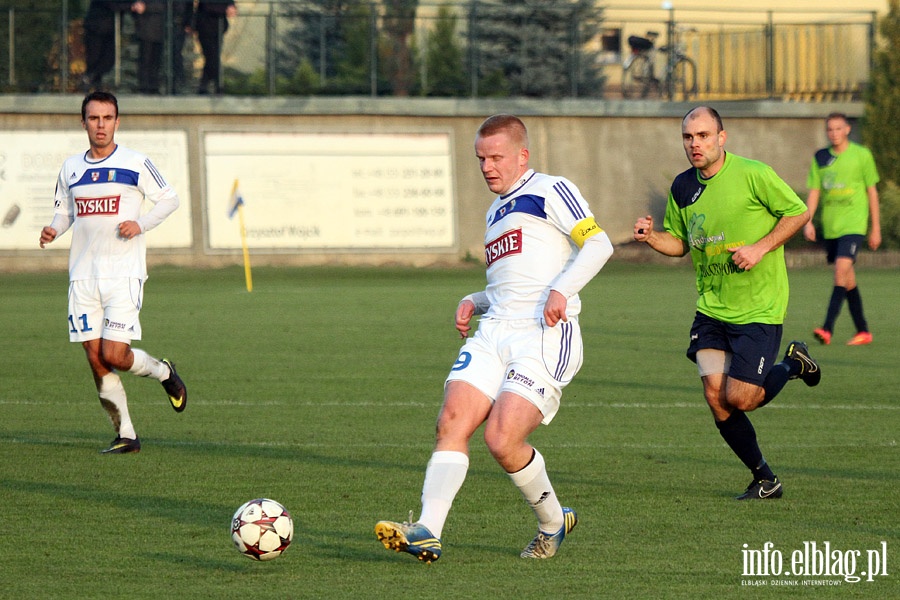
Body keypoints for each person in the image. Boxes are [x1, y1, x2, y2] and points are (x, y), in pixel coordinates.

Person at [375, 114, 615, 562]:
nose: (487, 166)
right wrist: (475, 299)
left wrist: (563, 289)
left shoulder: (550, 189)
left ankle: (552, 521)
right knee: (451, 422)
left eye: (497, 157)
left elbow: (599, 244)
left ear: (522, 155)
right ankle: (428, 529)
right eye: (481, 158)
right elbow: (512, 285)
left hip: (543, 333)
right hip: (494, 331)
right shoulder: (494, 211)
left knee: (502, 439)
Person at [633, 106, 820, 500]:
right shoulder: (683, 187)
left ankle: (792, 363)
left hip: (759, 307)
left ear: (722, 137)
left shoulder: (753, 173)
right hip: (712, 308)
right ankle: (765, 478)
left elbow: (798, 213)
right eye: (688, 137)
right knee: (716, 399)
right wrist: (651, 237)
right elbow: (680, 244)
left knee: (740, 399)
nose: (694, 144)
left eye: (702, 135)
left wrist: (760, 247)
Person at [39, 91, 187, 454]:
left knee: (116, 354)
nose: (100, 125)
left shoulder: (136, 162)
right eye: (94, 118)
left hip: (123, 274)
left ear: (117, 122)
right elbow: (65, 212)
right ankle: (127, 434)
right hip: (83, 276)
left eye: (107, 118)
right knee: (95, 358)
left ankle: (163, 372)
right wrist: (54, 229)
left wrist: (140, 224)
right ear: (84, 122)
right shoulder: (71, 167)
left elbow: (169, 198)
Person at [803, 112, 881, 346]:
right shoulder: (822, 158)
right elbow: (815, 191)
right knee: (848, 280)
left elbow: (872, 192)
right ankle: (863, 331)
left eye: (838, 129)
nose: (834, 133)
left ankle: (827, 328)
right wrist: (807, 220)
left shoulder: (861, 155)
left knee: (840, 272)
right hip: (832, 226)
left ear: (847, 129)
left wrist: (875, 228)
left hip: (854, 225)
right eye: (830, 129)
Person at [81, 1, 131, 90]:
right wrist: (130, 6)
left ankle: (95, 80)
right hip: (96, 27)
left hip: (110, 30)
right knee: (94, 56)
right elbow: (112, 4)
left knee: (109, 58)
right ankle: (89, 80)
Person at [194, 0, 237, 94]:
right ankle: (215, 84)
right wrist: (226, 8)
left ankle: (205, 85)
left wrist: (230, 5)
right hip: (205, 27)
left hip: (217, 28)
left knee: (213, 56)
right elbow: (208, 7)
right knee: (212, 56)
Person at [131, 1, 166, 94]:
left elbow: (165, 6)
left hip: (158, 29)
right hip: (145, 29)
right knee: (145, 59)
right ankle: (145, 85)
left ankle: (153, 85)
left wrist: (146, 7)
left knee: (155, 60)